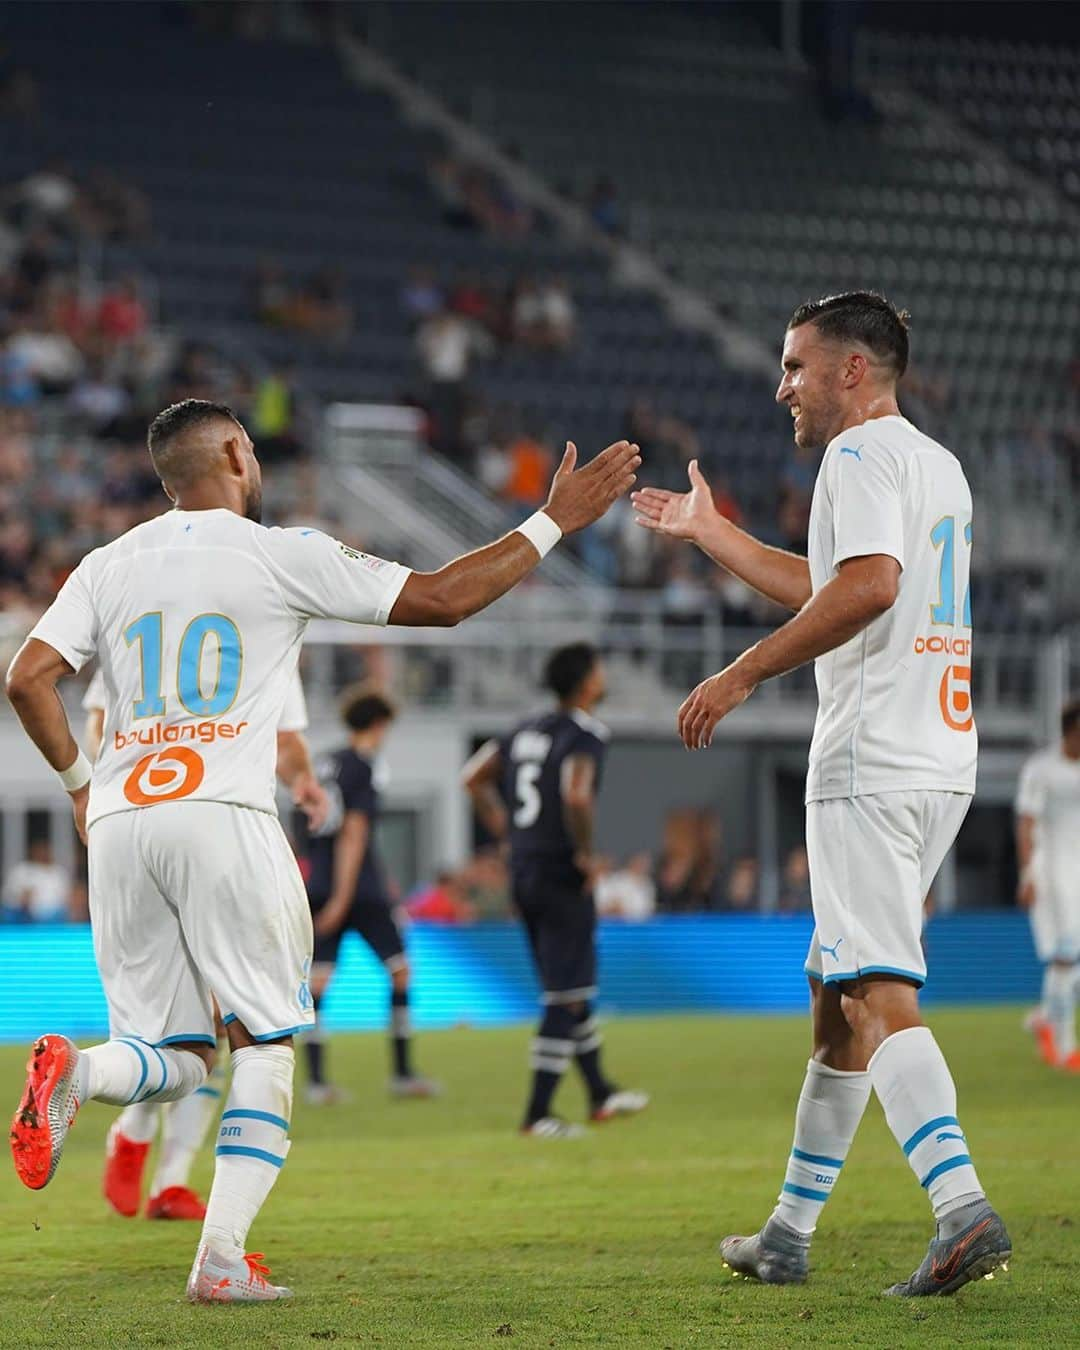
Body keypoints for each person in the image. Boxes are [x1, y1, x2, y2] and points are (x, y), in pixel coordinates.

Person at [5, 397, 639, 1302]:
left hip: (120, 824)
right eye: (254, 451)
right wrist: (555, 520)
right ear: (232, 452)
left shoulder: (105, 565)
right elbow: (445, 598)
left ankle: (79, 1068)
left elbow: (27, 678)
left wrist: (79, 785)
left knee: (180, 1055)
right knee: (265, 1042)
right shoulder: (278, 553)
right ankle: (221, 1259)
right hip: (221, 810)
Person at [633, 291, 1010, 1296]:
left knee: (875, 988)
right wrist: (715, 535)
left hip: (870, 756)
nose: (780, 387)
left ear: (851, 369)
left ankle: (960, 1205)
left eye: (796, 366)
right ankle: (789, 1233)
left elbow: (870, 585)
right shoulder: (937, 463)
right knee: (835, 997)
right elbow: (838, 579)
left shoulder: (856, 455)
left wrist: (744, 671)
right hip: (942, 752)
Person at [83, 666, 328, 1222]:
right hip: (216, 837)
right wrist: (302, 781)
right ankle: (138, 1137)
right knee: (209, 1029)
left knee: (202, 1025)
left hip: (131, 831)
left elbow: (96, 721)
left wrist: (108, 790)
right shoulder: (267, 626)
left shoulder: (141, 613)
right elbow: (285, 739)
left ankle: (161, 1171)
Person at [462, 643, 648, 1139]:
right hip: (560, 871)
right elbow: (576, 793)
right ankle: (537, 1114)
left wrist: (508, 831)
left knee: (568, 987)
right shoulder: (586, 733)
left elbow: (472, 778)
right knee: (565, 994)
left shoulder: (523, 729)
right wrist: (585, 854)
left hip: (524, 870)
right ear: (587, 681)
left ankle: (600, 1092)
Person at [300, 684, 439, 1103]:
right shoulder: (364, 766)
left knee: (317, 981)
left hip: (318, 882)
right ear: (379, 725)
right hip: (359, 887)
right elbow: (354, 833)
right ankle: (401, 1074)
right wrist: (344, 897)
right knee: (399, 971)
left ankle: (317, 1083)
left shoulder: (323, 763)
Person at [1015, 698, 1080, 1072]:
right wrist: (1027, 876)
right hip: (1052, 873)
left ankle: (1045, 1017)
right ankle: (1066, 1044)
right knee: (1065, 955)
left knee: (1066, 962)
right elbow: (1026, 822)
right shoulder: (1041, 769)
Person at [1, 836, 71, 923]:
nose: (42, 852)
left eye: (44, 849)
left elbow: (65, 898)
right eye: (39, 849)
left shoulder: (58, 872)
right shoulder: (21, 869)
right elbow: (7, 895)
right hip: (22, 913)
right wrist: (21, 898)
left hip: (51, 915)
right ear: (32, 850)